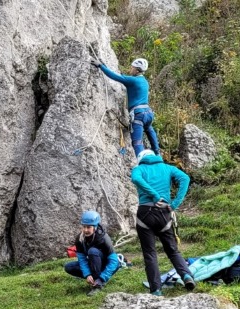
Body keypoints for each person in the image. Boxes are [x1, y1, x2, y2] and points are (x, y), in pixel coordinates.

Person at [132, 150, 194, 296]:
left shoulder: (139, 169)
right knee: (172, 250)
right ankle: (186, 276)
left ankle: (156, 290)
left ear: (141, 159)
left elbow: (136, 179)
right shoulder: (168, 168)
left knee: (150, 253)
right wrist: (174, 204)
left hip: (145, 214)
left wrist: (154, 195)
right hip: (164, 213)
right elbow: (185, 179)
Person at [93, 57, 159, 156]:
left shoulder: (132, 81)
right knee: (149, 129)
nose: (130, 69)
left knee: (137, 142)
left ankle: (142, 164)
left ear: (137, 70)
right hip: (148, 114)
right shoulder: (144, 81)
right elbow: (123, 77)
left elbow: (115, 77)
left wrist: (100, 66)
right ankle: (157, 152)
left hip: (139, 115)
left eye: (132, 68)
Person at [64, 210, 122, 296]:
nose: (85, 230)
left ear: (95, 227)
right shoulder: (80, 239)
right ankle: (93, 279)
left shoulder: (104, 238)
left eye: (88, 227)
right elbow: (82, 259)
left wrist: (102, 278)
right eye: (84, 227)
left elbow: (114, 261)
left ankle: (98, 284)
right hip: (93, 264)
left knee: (92, 251)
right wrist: (87, 274)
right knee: (68, 267)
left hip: (106, 264)